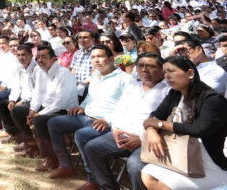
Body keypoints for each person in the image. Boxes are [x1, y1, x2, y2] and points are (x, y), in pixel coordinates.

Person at [80, 53, 170, 190]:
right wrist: (116, 129)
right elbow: (119, 110)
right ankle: (108, 187)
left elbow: (166, 123)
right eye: (140, 66)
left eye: (150, 66)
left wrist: (141, 139)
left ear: (161, 69)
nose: (144, 70)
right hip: (122, 135)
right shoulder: (134, 86)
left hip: (149, 141)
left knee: (135, 165)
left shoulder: (169, 90)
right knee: (92, 147)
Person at [141, 56, 227, 190]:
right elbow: (153, 117)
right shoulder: (175, 94)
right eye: (164, 72)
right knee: (147, 173)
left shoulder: (212, 99)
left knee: (161, 181)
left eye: (171, 71)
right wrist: (151, 131)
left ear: (190, 73)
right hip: (180, 157)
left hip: (208, 164)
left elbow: (199, 130)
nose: (167, 76)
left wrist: (159, 125)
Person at [45, 45, 128, 179]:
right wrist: (82, 107)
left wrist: (108, 120)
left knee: (81, 135)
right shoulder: (95, 76)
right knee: (54, 122)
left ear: (111, 58)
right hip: (85, 117)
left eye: (100, 56)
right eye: (93, 57)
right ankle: (65, 165)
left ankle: (93, 179)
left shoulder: (124, 79)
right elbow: (90, 97)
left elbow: (127, 106)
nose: (96, 60)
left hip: (105, 123)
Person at [13, 45, 78, 169]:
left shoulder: (63, 73)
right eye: (38, 57)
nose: (40, 60)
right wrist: (32, 110)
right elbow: (37, 94)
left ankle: (51, 159)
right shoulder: (40, 71)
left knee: (40, 119)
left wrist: (39, 114)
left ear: (54, 59)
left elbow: (60, 102)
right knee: (18, 111)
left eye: (44, 57)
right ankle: (32, 146)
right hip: (47, 108)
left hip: (65, 110)